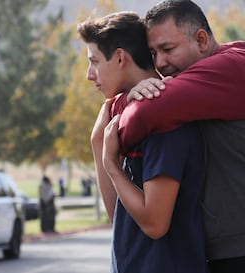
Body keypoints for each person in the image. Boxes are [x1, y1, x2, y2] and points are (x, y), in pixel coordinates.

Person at [112, 1, 245, 272]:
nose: (160, 64)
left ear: (201, 40)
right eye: (153, 54)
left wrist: (117, 108)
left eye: (168, 49)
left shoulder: (230, 68)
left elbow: (143, 115)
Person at [78, 11, 208, 273]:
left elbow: (154, 224)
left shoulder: (163, 118)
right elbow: (119, 216)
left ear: (120, 57)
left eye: (94, 61)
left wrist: (112, 166)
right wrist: (99, 140)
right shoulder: (126, 118)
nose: (89, 75)